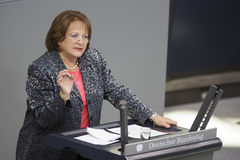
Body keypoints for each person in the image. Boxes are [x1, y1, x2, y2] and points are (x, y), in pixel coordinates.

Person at [16, 10, 177, 160]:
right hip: (48, 152)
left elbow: (116, 91)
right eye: (74, 35)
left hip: (83, 148)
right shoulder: (41, 68)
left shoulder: (92, 58)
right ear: (59, 39)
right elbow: (44, 120)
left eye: (85, 36)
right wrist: (62, 96)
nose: (81, 41)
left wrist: (152, 115)